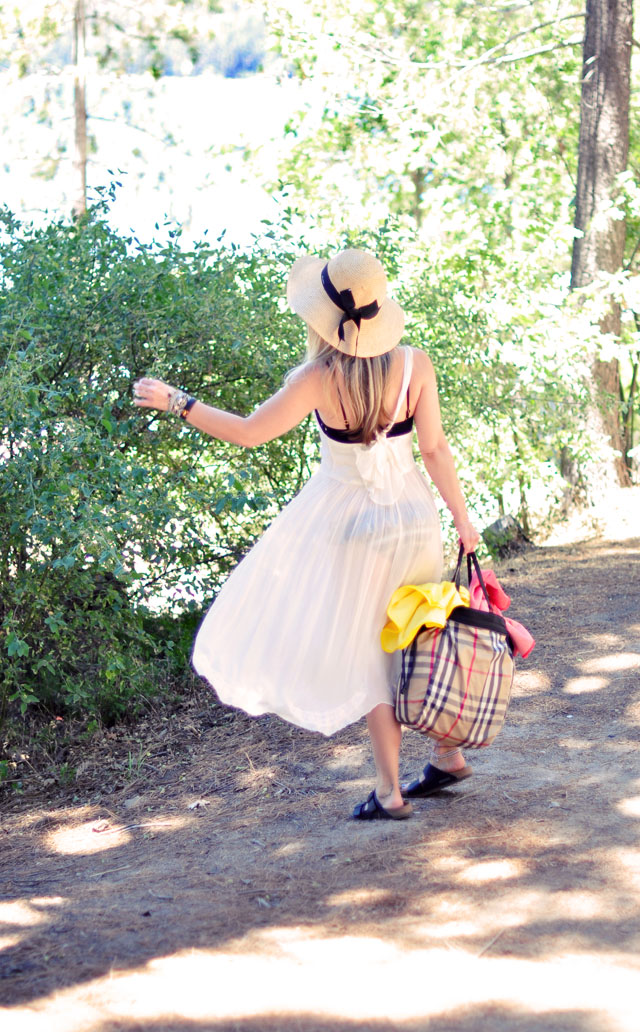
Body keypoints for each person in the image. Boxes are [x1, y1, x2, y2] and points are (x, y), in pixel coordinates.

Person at [133, 248, 480, 821]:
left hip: (348, 523)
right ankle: (448, 750)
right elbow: (436, 451)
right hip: (414, 518)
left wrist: (179, 401)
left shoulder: (317, 378)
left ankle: (391, 790)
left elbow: (248, 434)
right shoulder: (417, 365)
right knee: (424, 627)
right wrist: (463, 521)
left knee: (375, 650)